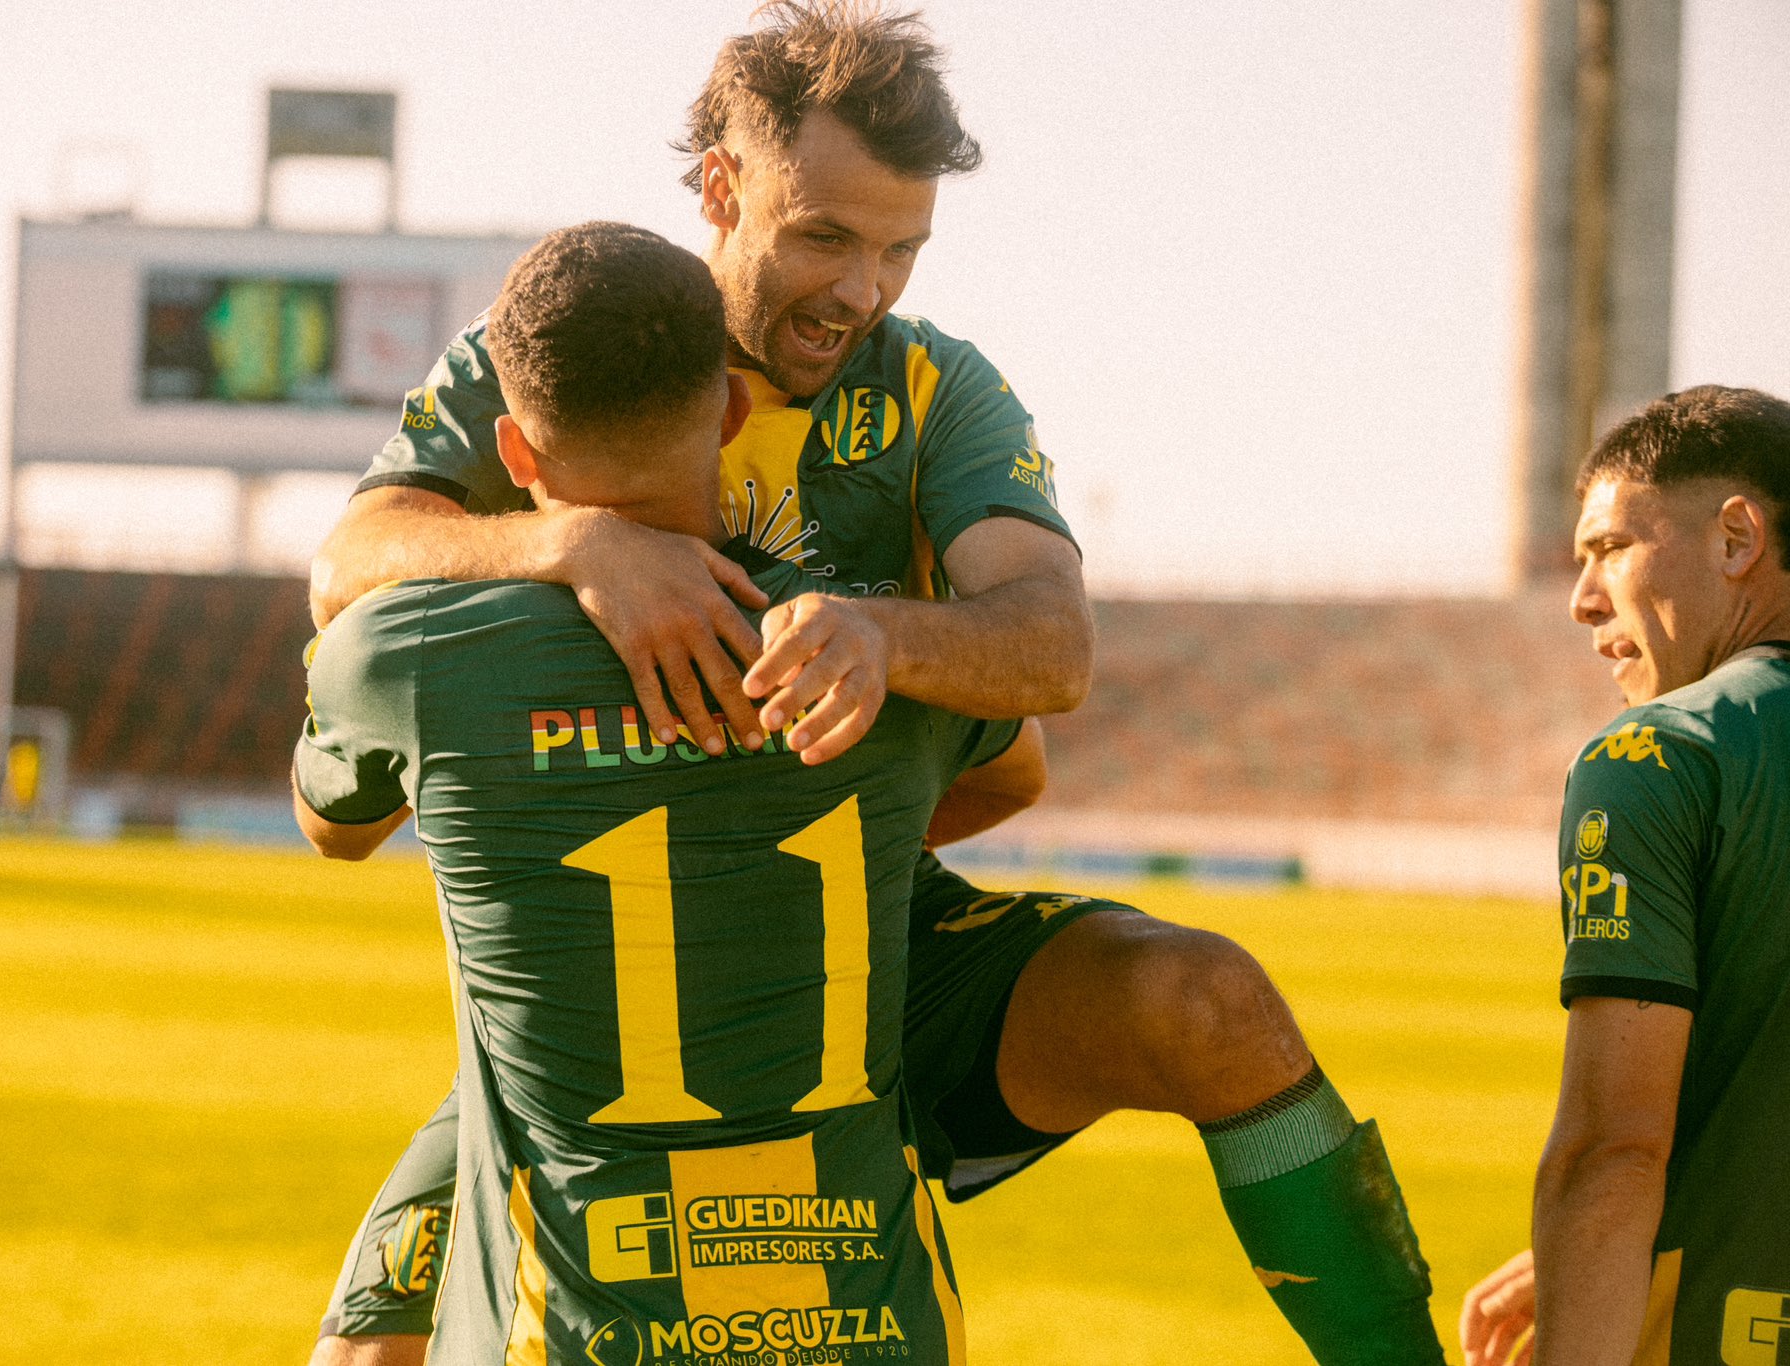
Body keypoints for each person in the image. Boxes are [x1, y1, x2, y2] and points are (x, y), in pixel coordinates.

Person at [310, 6, 1444, 1364]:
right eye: (825, 238)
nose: (863, 290)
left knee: (1206, 1002)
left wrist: (880, 644)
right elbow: (350, 562)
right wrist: (567, 541)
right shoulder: (577, 339)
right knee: (372, 1343)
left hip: (875, 949)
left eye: (901, 250)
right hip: (598, 1005)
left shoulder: (935, 390)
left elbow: (1053, 643)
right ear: (723, 187)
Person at [295, 219, 1039, 1365]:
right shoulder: (873, 662)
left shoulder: (404, 656)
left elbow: (333, 827)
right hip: (864, 1324)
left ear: (516, 453)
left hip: (565, 1332)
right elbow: (1018, 772)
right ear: (731, 414)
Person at [1458, 385, 1790, 1366]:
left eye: (1608, 547)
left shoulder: (1659, 755)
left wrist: (1593, 1283)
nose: (1582, 599)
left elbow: (1614, 1150)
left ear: (1736, 537)